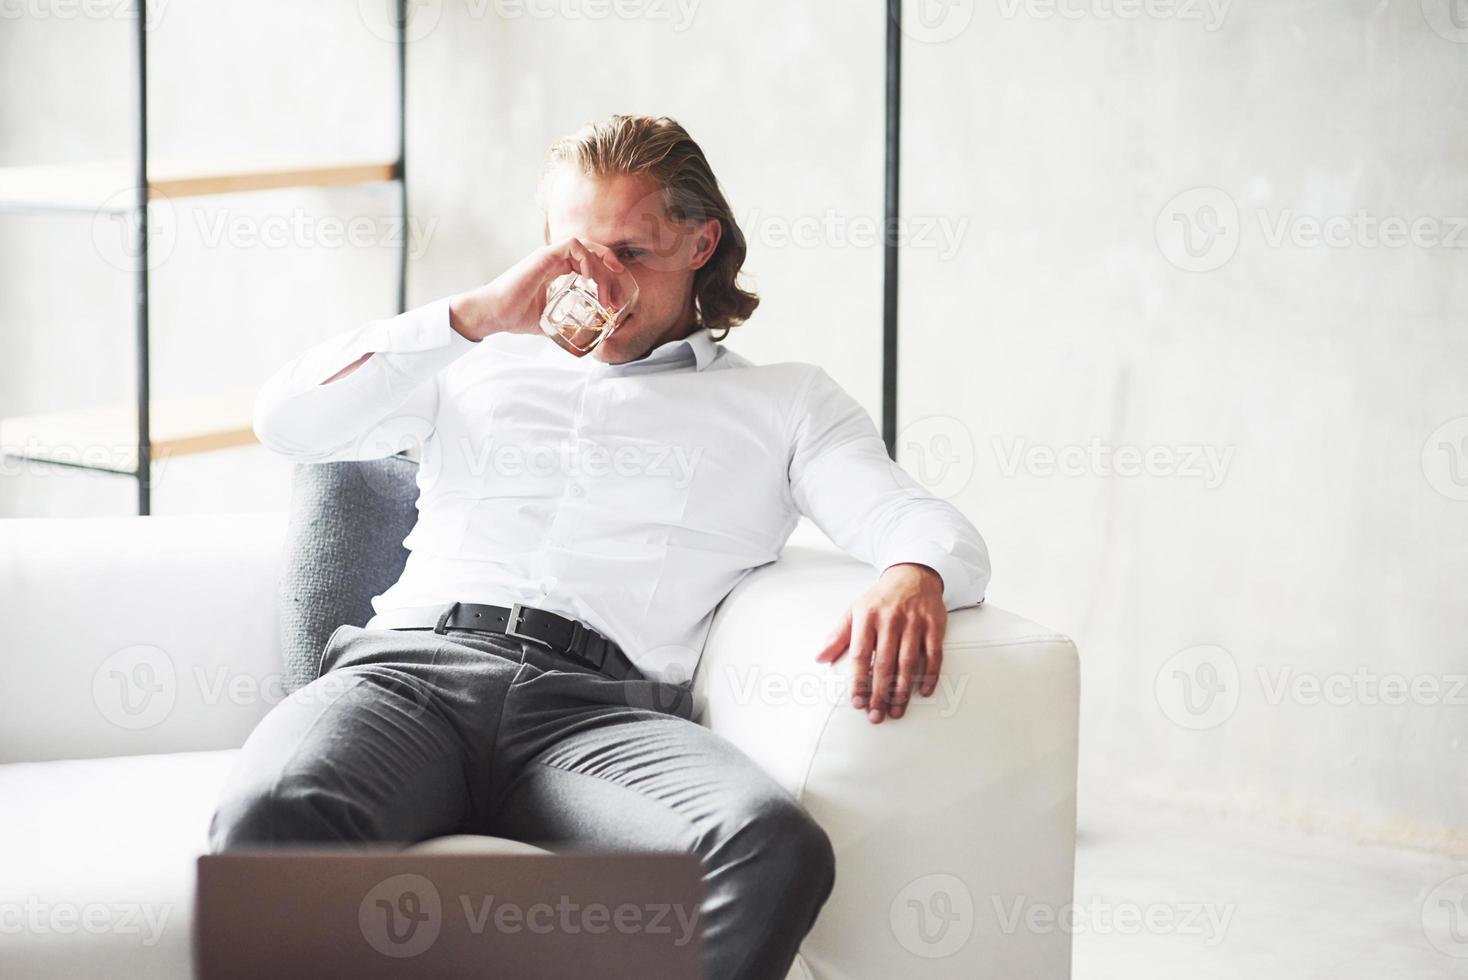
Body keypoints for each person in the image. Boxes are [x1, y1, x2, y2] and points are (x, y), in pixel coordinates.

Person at [209, 114, 990, 980]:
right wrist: (470, 317)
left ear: (701, 242)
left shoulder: (787, 403)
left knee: (769, 845)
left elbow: (922, 522)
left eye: (634, 252)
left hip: (600, 713)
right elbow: (284, 422)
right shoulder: (472, 363)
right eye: (579, 253)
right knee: (269, 817)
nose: (603, 284)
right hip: (413, 674)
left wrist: (912, 571)